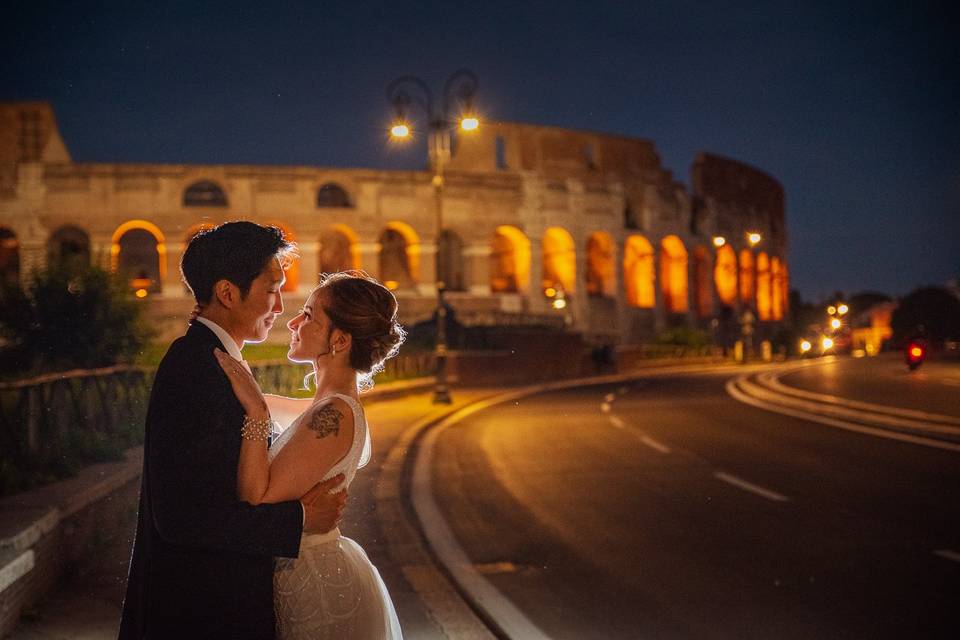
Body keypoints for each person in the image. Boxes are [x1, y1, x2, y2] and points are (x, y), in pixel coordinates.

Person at [119, 222, 348, 639]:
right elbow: (181, 517)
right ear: (227, 293)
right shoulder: (195, 367)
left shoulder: (214, 360)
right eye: (271, 288)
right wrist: (299, 520)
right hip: (197, 613)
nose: (280, 306)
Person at [213, 270, 404, 639]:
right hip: (302, 568)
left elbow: (255, 496)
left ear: (340, 340)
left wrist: (256, 414)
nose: (295, 322)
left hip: (315, 583)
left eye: (309, 315)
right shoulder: (324, 408)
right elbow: (263, 402)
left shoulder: (332, 414)